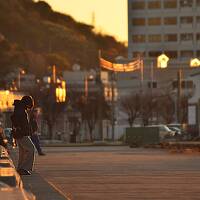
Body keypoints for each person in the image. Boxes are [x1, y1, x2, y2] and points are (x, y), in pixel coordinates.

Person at [11, 96, 35, 175]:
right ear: (26, 103)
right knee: (31, 149)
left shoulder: (19, 108)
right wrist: (19, 128)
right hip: (21, 134)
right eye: (29, 105)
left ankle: (20, 168)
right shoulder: (20, 109)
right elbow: (15, 120)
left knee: (23, 151)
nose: (29, 107)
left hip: (20, 133)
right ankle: (24, 168)